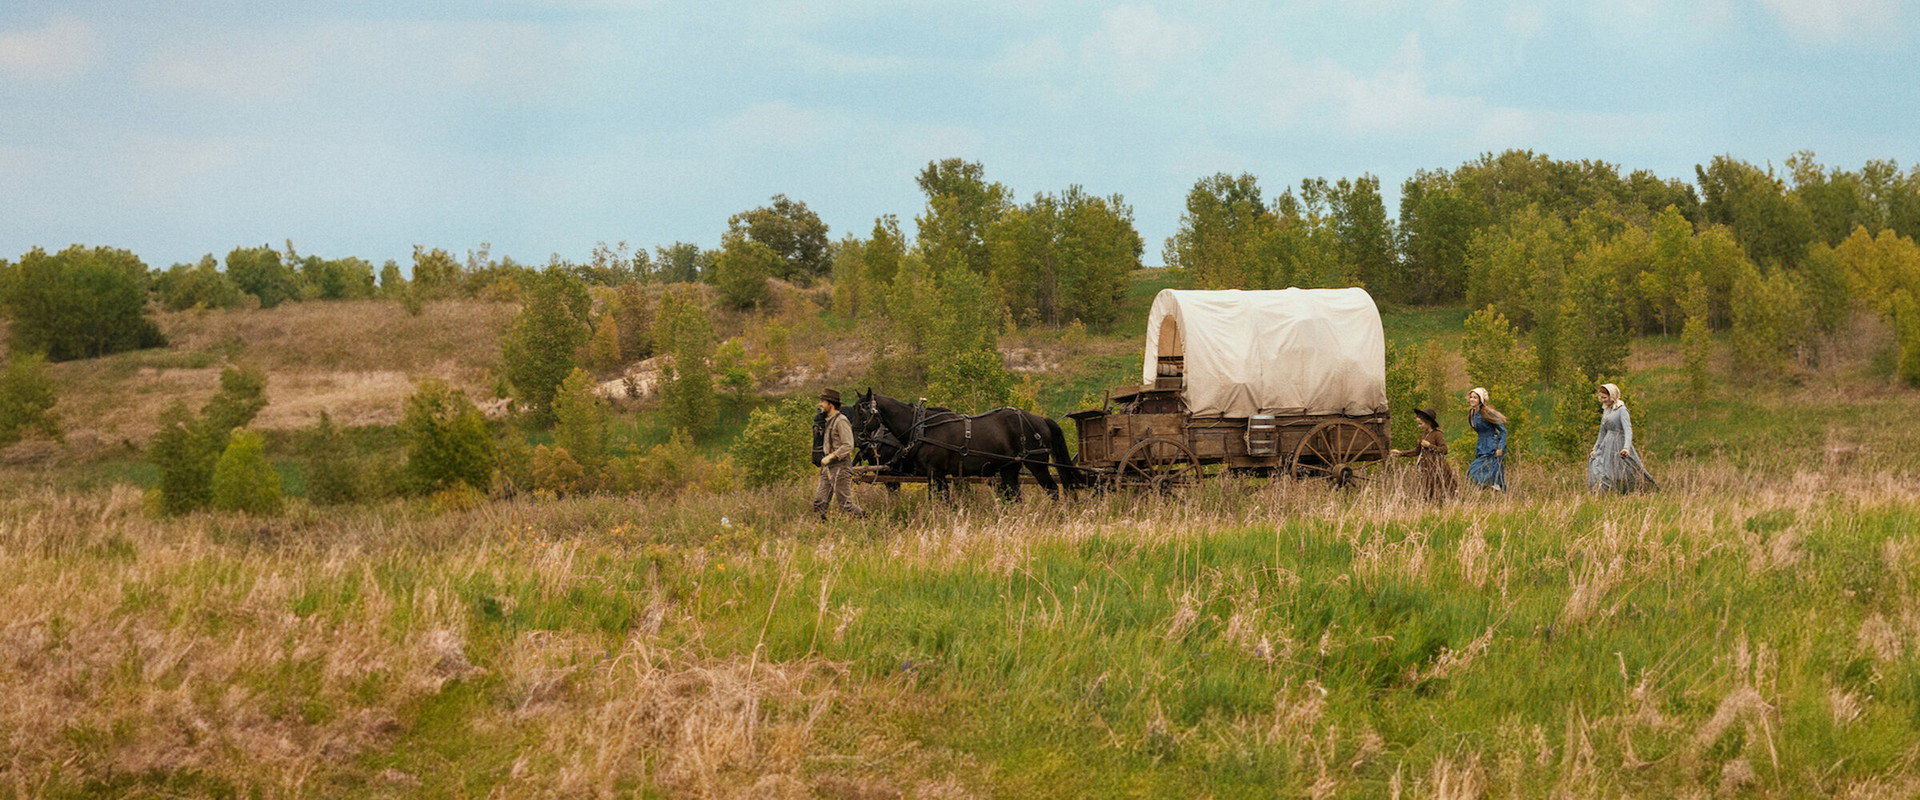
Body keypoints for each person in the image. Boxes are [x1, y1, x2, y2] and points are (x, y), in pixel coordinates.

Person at [1587, 383, 1653, 493]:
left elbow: (1628, 430)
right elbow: (1602, 432)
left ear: (1612, 396)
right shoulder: (1606, 410)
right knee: (1600, 467)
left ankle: (1638, 491)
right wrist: (1595, 448)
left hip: (1618, 444)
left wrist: (1626, 448)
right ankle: (1604, 494)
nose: (1602, 400)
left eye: (1604, 397)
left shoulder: (1622, 410)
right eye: (1601, 397)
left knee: (1624, 471)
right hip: (1606, 444)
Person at [812, 389, 865, 519]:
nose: (821, 404)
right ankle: (821, 529)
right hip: (829, 467)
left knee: (845, 505)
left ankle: (868, 522)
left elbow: (848, 445)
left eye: (823, 401)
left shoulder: (841, 421)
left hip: (841, 466)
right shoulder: (828, 420)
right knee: (820, 501)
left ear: (831, 404)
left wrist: (830, 456)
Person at [1391, 408, 1458, 503]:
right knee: (1427, 492)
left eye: (1420, 423)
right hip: (1426, 468)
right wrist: (1400, 453)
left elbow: (1444, 450)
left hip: (1438, 468)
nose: (1419, 426)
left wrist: (1429, 446)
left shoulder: (1437, 434)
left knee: (1446, 490)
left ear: (1428, 422)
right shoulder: (1423, 435)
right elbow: (1417, 451)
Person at [1466, 387, 1508, 491]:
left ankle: (1496, 494)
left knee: (1489, 473)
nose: (1472, 399)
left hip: (1492, 447)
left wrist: (1500, 447)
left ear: (1480, 399)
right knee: (1474, 472)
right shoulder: (1472, 413)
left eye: (1475, 398)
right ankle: (1486, 492)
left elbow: (1503, 431)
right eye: (1471, 397)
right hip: (1481, 446)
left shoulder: (1487, 412)